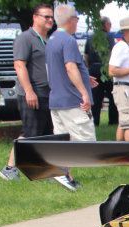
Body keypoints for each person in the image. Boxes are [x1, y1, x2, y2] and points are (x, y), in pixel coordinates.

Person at [0, 3, 55, 182]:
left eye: (51, 17)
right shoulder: (26, 38)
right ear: (35, 17)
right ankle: (9, 168)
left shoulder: (47, 40)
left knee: (46, 133)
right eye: (46, 16)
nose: (50, 20)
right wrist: (29, 91)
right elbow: (19, 65)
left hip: (47, 94)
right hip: (31, 93)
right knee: (30, 132)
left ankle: (44, 171)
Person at [45, 4, 96, 191]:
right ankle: (61, 174)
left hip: (56, 99)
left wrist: (85, 78)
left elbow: (61, 68)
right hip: (71, 100)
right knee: (86, 143)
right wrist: (83, 92)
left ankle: (63, 175)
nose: (77, 21)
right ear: (69, 20)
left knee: (62, 141)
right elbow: (70, 67)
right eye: (76, 18)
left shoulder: (51, 40)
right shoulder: (68, 41)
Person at [85, 16, 117, 126]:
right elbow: (112, 53)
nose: (110, 26)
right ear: (105, 25)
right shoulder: (109, 37)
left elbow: (86, 55)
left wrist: (90, 67)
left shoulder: (90, 38)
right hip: (106, 69)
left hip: (93, 70)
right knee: (112, 96)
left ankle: (94, 121)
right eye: (110, 24)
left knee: (95, 98)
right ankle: (113, 121)